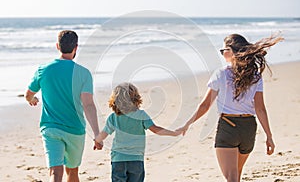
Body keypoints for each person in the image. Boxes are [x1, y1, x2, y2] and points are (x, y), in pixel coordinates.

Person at [178, 34, 283, 182]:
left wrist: (187, 124)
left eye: (223, 50)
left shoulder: (220, 74)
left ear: (231, 51)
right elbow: (260, 109)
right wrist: (269, 136)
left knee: (231, 178)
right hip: (249, 128)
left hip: (228, 127)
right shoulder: (255, 76)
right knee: (236, 175)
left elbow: (205, 105)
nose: (222, 54)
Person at [25, 30, 102, 182]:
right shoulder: (83, 73)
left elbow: (28, 94)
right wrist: (97, 134)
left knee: (55, 171)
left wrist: (32, 99)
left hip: (51, 128)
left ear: (57, 46)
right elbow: (88, 105)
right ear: (76, 48)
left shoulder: (43, 70)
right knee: (72, 172)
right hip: (75, 130)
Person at [94, 82, 182, 182]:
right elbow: (156, 130)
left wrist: (97, 142)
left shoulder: (114, 117)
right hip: (136, 159)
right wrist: (173, 133)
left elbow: (103, 134)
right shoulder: (141, 115)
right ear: (136, 99)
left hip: (118, 160)